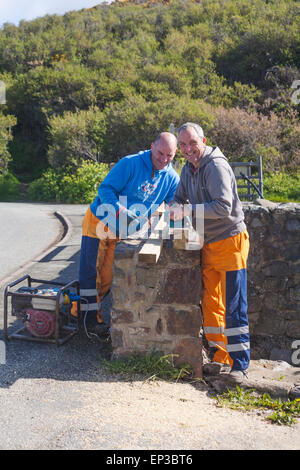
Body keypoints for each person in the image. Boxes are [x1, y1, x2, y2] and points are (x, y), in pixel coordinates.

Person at [169, 122, 250, 383]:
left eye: (192, 143)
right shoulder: (187, 168)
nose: (187, 149)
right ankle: (219, 356)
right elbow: (180, 198)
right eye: (182, 145)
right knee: (212, 302)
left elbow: (224, 207)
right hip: (209, 243)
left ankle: (241, 365)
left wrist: (188, 211)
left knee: (234, 306)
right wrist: (171, 206)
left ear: (203, 141)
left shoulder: (215, 166)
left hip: (230, 241)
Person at [79, 132, 179, 338]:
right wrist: (120, 211)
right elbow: (105, 189)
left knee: (107, 278)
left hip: (121, 230)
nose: (164, 159)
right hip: (99, 220)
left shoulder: (171, 177)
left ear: (175, 154)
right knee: (92, 274)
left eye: (169, 156)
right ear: (152, 147)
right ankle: (88, 321)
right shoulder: (130, 163)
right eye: (160, 153)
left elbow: (172, 202)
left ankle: (85, 314)